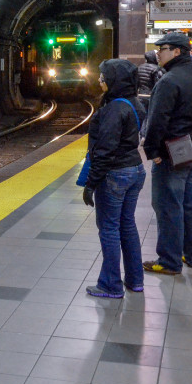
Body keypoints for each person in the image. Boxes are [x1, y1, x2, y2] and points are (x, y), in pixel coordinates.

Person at [141, 31, 192, 275]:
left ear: (177, 51)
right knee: (191, 205)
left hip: (173, 152)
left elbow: (157, 120)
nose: (158, 52)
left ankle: (169, 261)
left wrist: (152, 150)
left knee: (167, 205)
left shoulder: (169, 80)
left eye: (163, 48)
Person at [78, 59, 147, 299]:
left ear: (114, 79)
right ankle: (135, 280)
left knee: (108, 228)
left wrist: (91, 183)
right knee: (127, 225)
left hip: (115, 174)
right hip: (135, 170)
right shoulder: (134, 103)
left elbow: (105, 150)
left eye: (103, 76)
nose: (100, 80)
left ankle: (111, 285)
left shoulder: (115, 109)